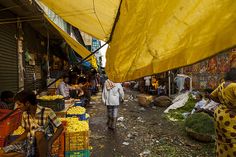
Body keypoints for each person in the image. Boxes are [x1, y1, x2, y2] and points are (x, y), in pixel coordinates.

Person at [0, 90, 64, 157]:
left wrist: (50, 142)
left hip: (44, 143)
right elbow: (27, 131)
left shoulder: (47, 111)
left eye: (19, 104)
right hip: (29, 143)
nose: (17, 107)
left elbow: (60, 127)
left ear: (27, 103)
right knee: (2, 152)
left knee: (39, 133)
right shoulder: (24, 114)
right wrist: (14, 143)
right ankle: (27, 154)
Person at [210, 68, 236, 157]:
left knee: (223, 140)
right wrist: (231, 107)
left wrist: (224, 103)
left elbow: (212, 96)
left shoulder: (222, 85)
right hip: (231, 117)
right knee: (233, 141)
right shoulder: (234, 86)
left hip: (220, 114)